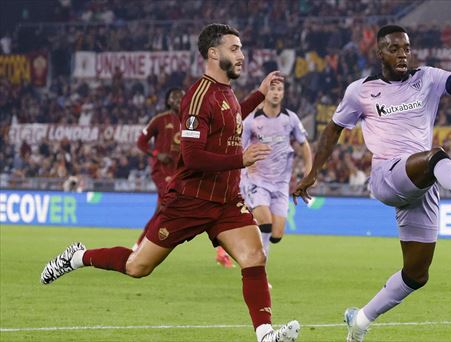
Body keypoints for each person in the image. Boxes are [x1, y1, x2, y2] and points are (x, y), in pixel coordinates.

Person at [41, 23, 300, 342]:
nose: (242, 55)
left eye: (241, 48)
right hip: (190, 201)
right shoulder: (198, 96)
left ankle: (265, 334)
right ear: (213, 53)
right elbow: (192, 157)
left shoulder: (226, 93)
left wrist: (259, 93)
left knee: (255, 256)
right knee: (138, 267)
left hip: (225, 201)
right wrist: (240, 159)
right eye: (235, 49)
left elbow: (232, 117)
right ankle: (78, 257)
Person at [293, 25, 451, 342]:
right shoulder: (360, 91)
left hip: (422, 184)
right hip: (387, 175)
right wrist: (312, 173)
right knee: (435, 156)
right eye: (394, 49)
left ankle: (360, 321)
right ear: (380, 52)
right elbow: (332, 130)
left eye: (406, 48)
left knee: (417, 274)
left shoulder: (429, 79)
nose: (403, 54)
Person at [221, 80, 312, 279]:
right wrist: (247, 167)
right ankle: (258, 272)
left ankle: (234, 233)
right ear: (265, 92)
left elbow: (304, 146)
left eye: (280, 89)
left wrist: (309, 173)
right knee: (265, 224)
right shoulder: (251, 121)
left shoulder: (291, 119)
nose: (276, 93)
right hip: (256, 180)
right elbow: (238, 148)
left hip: (280, 184)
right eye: (272, 89)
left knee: (276, 234)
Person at [133, 88, 184, 250]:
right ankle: (141, 246)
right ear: (168, 101)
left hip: (179, 173)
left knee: (162, 211)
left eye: (180, 97)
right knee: (167, 204)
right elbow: (141, 142)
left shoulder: (189, 121)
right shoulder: (160, 120)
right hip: (162, 172)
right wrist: (157, 154)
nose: (177, 99)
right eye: (174, 97)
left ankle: (141, 246)